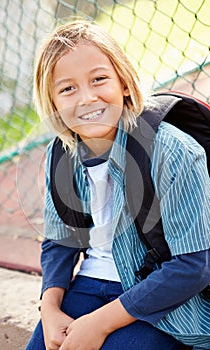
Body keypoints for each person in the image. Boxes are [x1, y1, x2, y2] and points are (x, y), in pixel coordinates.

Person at [26, 19, 210, 350]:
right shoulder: (63, 151)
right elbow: (60, 241)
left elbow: (193, 267)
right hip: (90, 285)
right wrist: (50, 309)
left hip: (162, 297)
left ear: (123, 83)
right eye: (68, 88)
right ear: (52, 102)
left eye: (99, 80)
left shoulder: (174, 150)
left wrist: (98, 325)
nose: (87, 98)